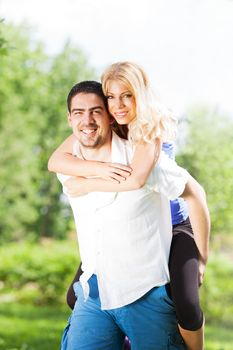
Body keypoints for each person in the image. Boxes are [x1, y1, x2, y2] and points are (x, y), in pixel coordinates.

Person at [48, 74, 210, 349]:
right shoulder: (76, 154)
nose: (119, 104)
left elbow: (141, 180)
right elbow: (55, 161)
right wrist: (94, 173)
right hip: (102, 281)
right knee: (74, 297)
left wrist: (203, 257)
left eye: (97, 110)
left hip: (175, 226)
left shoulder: (146, 144)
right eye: (112, 97)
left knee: (186, 302)